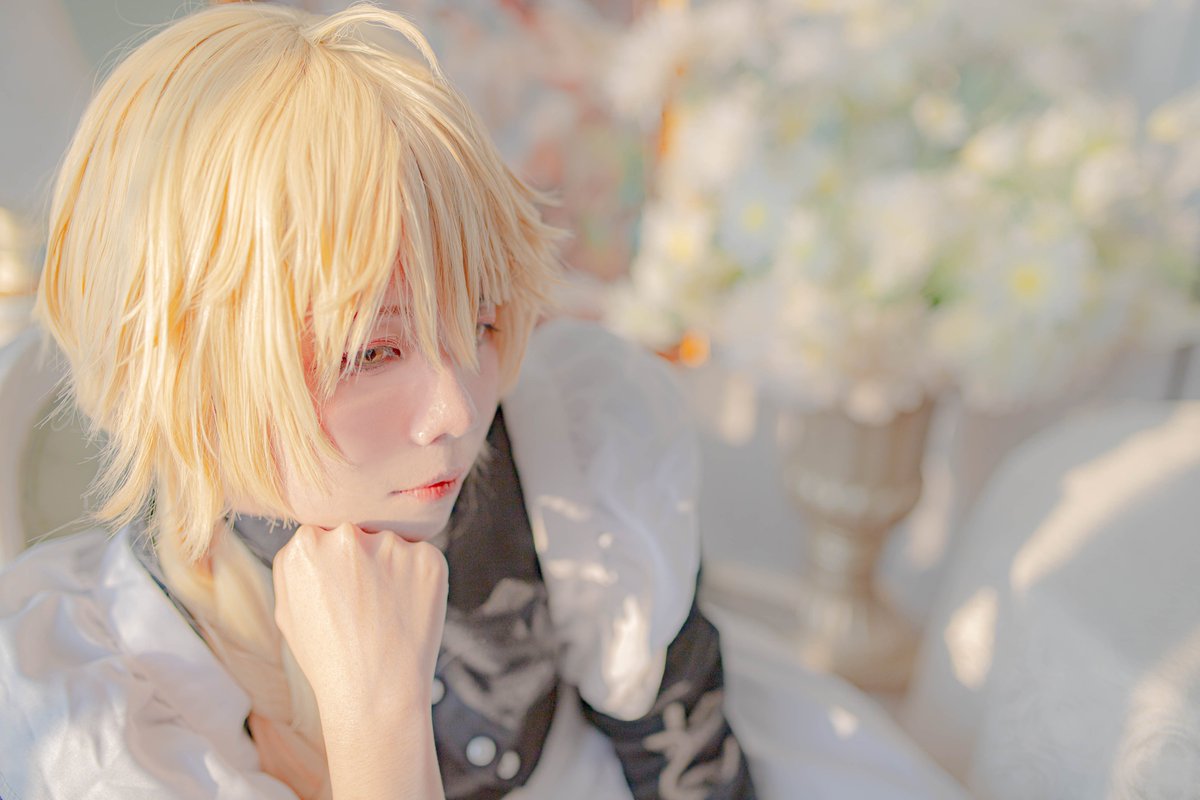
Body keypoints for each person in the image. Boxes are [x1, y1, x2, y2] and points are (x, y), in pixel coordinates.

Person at [0, 3, 756, 798]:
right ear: (190, 370)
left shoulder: (569, 467)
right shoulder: (106, 697)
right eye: (371, 352)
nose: (457, 410)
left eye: (481, 322)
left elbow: (691, 769)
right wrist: (378, 721)